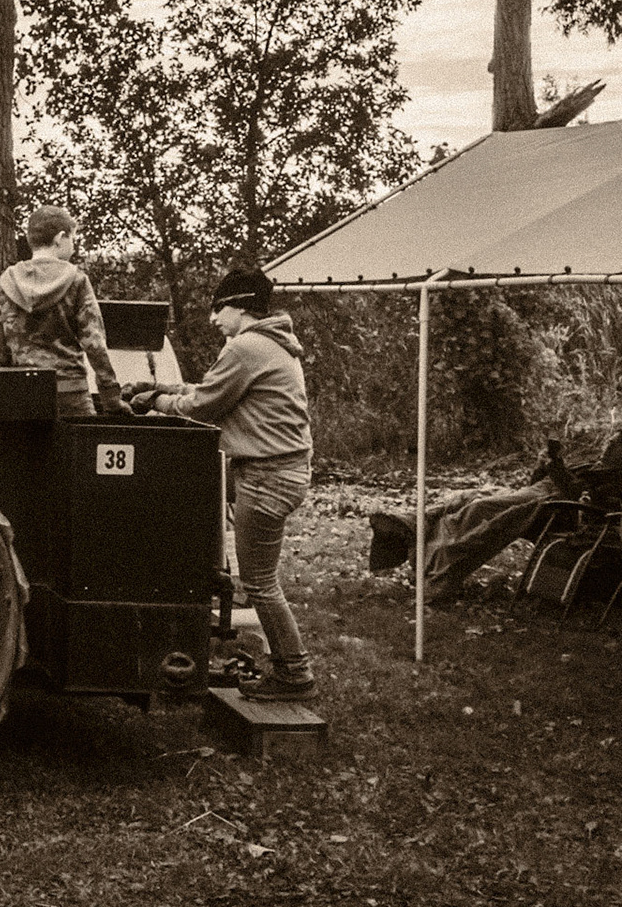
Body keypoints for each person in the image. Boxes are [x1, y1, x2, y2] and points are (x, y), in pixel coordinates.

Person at [128, 267, 314, 701]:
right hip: (280, 471)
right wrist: (159, 385)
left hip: (267, 476)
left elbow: (204, 405)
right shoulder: (267, 345)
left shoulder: (247, 347)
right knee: (260, 579)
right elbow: (214, 388)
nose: (213, 318)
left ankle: (296, 675)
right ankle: (292, 669)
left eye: (219, 307)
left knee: (260, 583)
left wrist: (153, 401)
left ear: (242, 306)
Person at [368, 434, 622, 601]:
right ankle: (411, 525)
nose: (607, 445)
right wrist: (543, 466)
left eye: (613, 445)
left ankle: (434, 561)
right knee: (467, 496)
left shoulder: (611, 481)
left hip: (553, 508)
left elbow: (582, 502)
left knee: (481, 508)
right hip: (535, 492)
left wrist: (555, 468)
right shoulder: (593, 467)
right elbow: (539, 481)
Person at [0, 205, 128, 418]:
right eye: (72, 239)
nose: (73, 247)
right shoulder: (77, 280)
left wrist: (1, 397)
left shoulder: (7, 281)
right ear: (60, 238)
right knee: (80, 449)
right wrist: (112, 399)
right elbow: (95, 344)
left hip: (23, 395)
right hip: (70, 393)